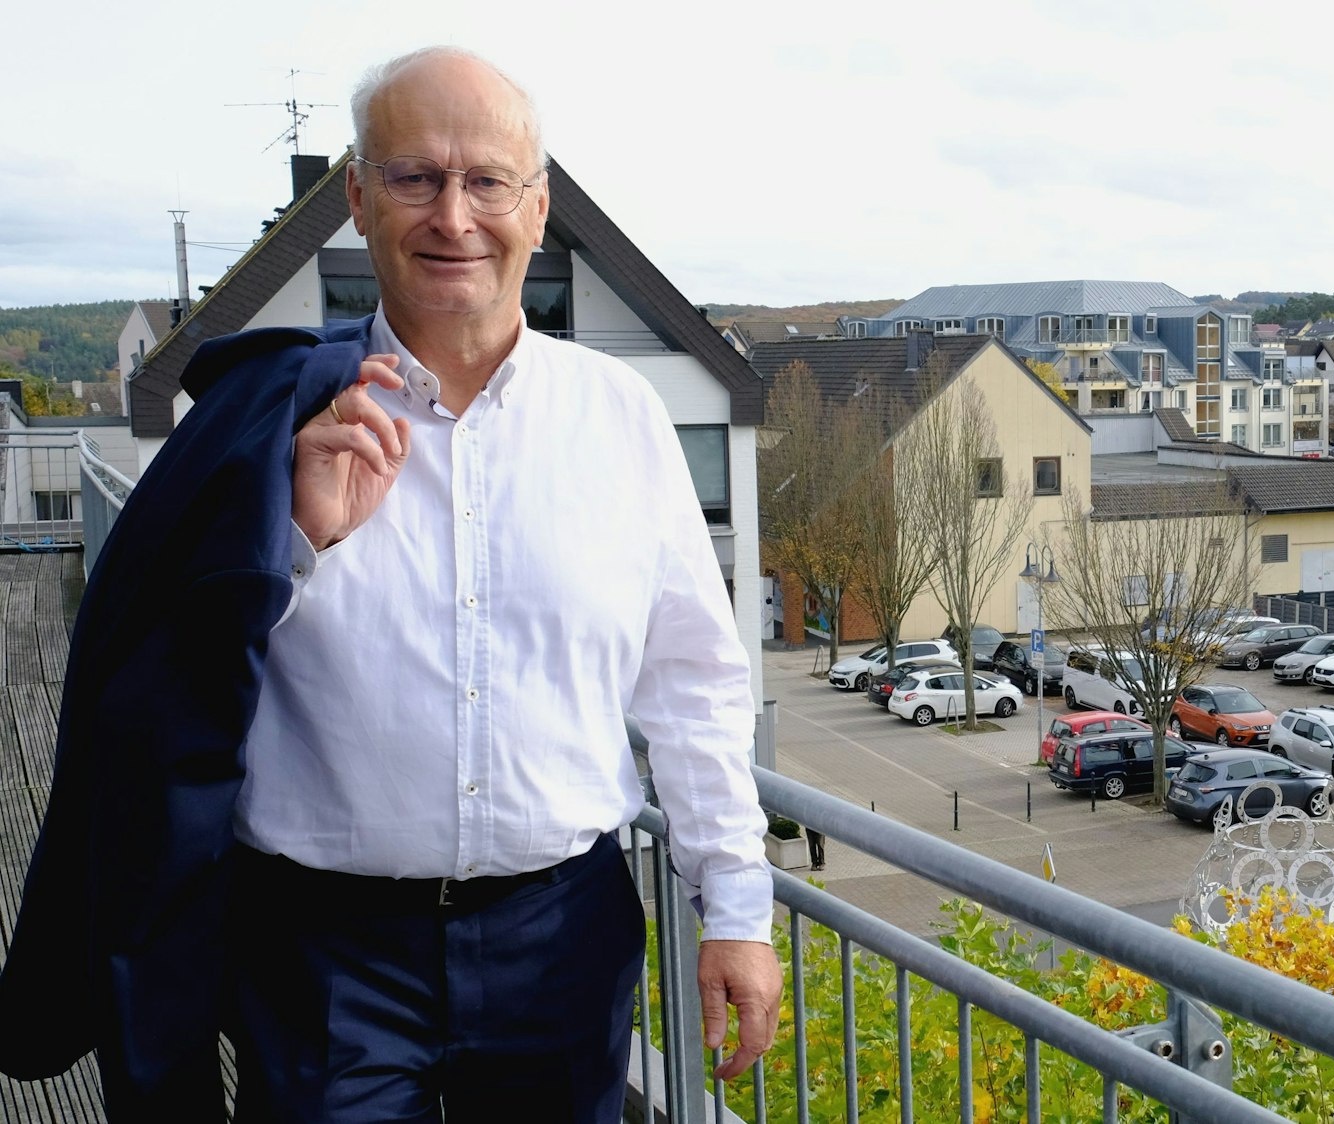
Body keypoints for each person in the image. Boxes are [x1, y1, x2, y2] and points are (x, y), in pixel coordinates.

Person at [0, 46, 780, 1122]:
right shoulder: (272, 421)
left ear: (538, 207)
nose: (453, 216)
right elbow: (173, 678)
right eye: (415, 177)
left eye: (487, 181)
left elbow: (692, 687)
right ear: (360, 201)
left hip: (560, 939)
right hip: (325, 953)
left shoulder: (625, 420)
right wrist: (295, 542)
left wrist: (736, 909)